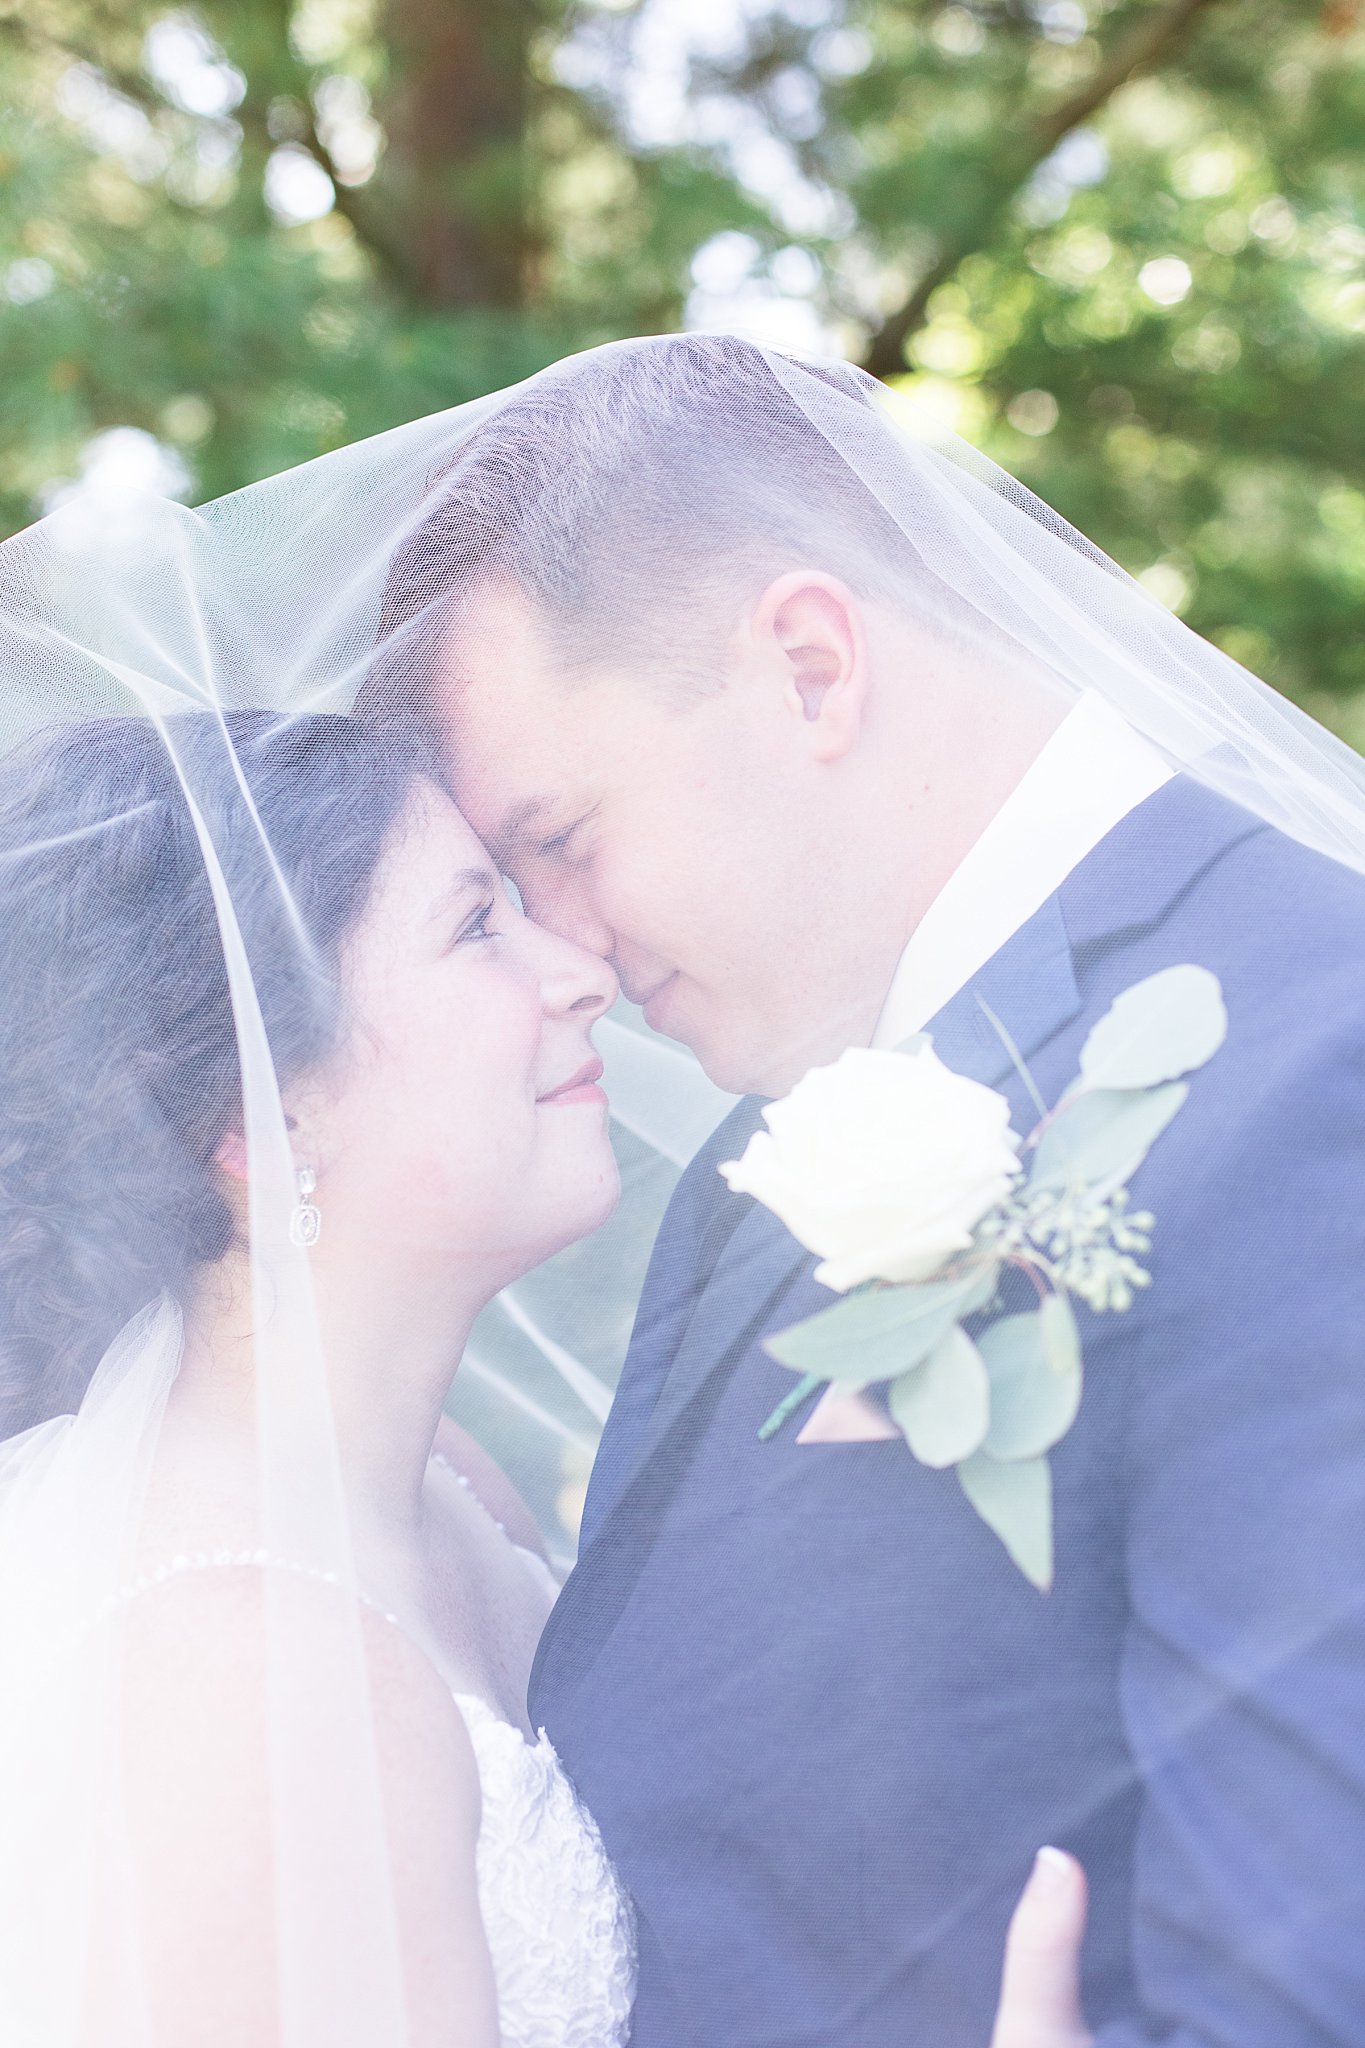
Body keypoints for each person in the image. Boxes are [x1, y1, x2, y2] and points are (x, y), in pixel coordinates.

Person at [360, 333, 1365, 2046]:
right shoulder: (758, 1172)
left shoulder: (1311, 1068)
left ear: (811, 667)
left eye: (562, 841)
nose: (564, 955)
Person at [0, 700, 1079, 2047]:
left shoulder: (455, 1484)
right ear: (262, 1112)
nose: (576, 970)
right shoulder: (247, 1682)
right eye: (474, 926)